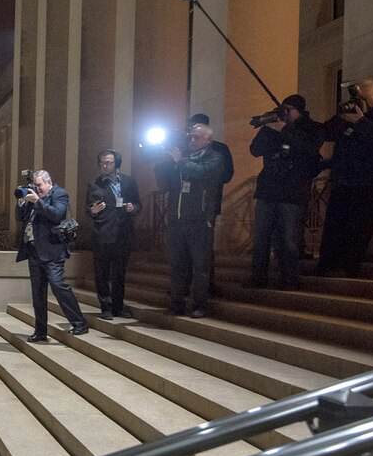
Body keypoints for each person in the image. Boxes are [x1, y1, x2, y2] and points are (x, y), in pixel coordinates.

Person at [317, 78, 373, 277]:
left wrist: (361, 122)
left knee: (359, 227)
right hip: (345, 178)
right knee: (334, 224)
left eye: (363, 98)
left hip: (371, 180)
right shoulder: (352, 111)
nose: (360, 102)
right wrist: (342, 116)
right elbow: (327, 132)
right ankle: (326, 265)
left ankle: (349, 268)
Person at [247, 94, 325, 289]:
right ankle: (258, 278)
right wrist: (267, 127)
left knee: (289, 238)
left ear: (299, 111)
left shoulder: (312, 128)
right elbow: (255, 150)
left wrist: (286, 130)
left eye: (288, 110)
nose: (284, 114)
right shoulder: (274, 128)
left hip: (293, 191)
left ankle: (289, 279)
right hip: (268, 190)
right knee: (261, 237)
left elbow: (310, 148)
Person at [155, 124, 225, 318]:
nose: (192, 140)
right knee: (177, 266)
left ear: (208, 140)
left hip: (199, 220)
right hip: (177, 221)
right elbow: (164, 182)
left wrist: (180, 161)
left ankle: (199, 305)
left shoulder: (215, 157)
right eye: (191, 137)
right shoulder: (181, 159)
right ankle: (176, 305)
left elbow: (200, 173)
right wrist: (167, 161)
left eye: (196, 137)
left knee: (200, 266)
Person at [15, 170, 89, 340]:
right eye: (35, 185)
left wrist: (38, 201)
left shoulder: (59, 194)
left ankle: (79, 323)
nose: (37, 188)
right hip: (33, 250)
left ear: (49, 182)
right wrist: (21, 201)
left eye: (39, 185)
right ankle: (40, 332)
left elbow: (57, 214)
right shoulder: (32, 197)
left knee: (58, 286)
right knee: (37, 294)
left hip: (52, 251)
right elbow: (19, 218)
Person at [85, 149, 142, 320]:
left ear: (116, 163)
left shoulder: (129, 182)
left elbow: (138, 204)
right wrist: (93, 210)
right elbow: (87, 209)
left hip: (123, 234)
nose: (104, 165)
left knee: (119, 273)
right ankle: (106, 307)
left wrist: (133, 208)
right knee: (102, 273)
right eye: (102, 162)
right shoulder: (94, 184)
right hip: (102, 234)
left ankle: (118, 306)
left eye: (108, 162)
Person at [188, 113, 234, 294]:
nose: (192, 134)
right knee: (184, 248)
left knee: (204, 246)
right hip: (184, 205)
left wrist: (206, 177)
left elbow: (227, 174)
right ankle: (184, 284)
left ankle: (206, 285)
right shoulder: (187, 148)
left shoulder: (219, 150)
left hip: (207, 203)